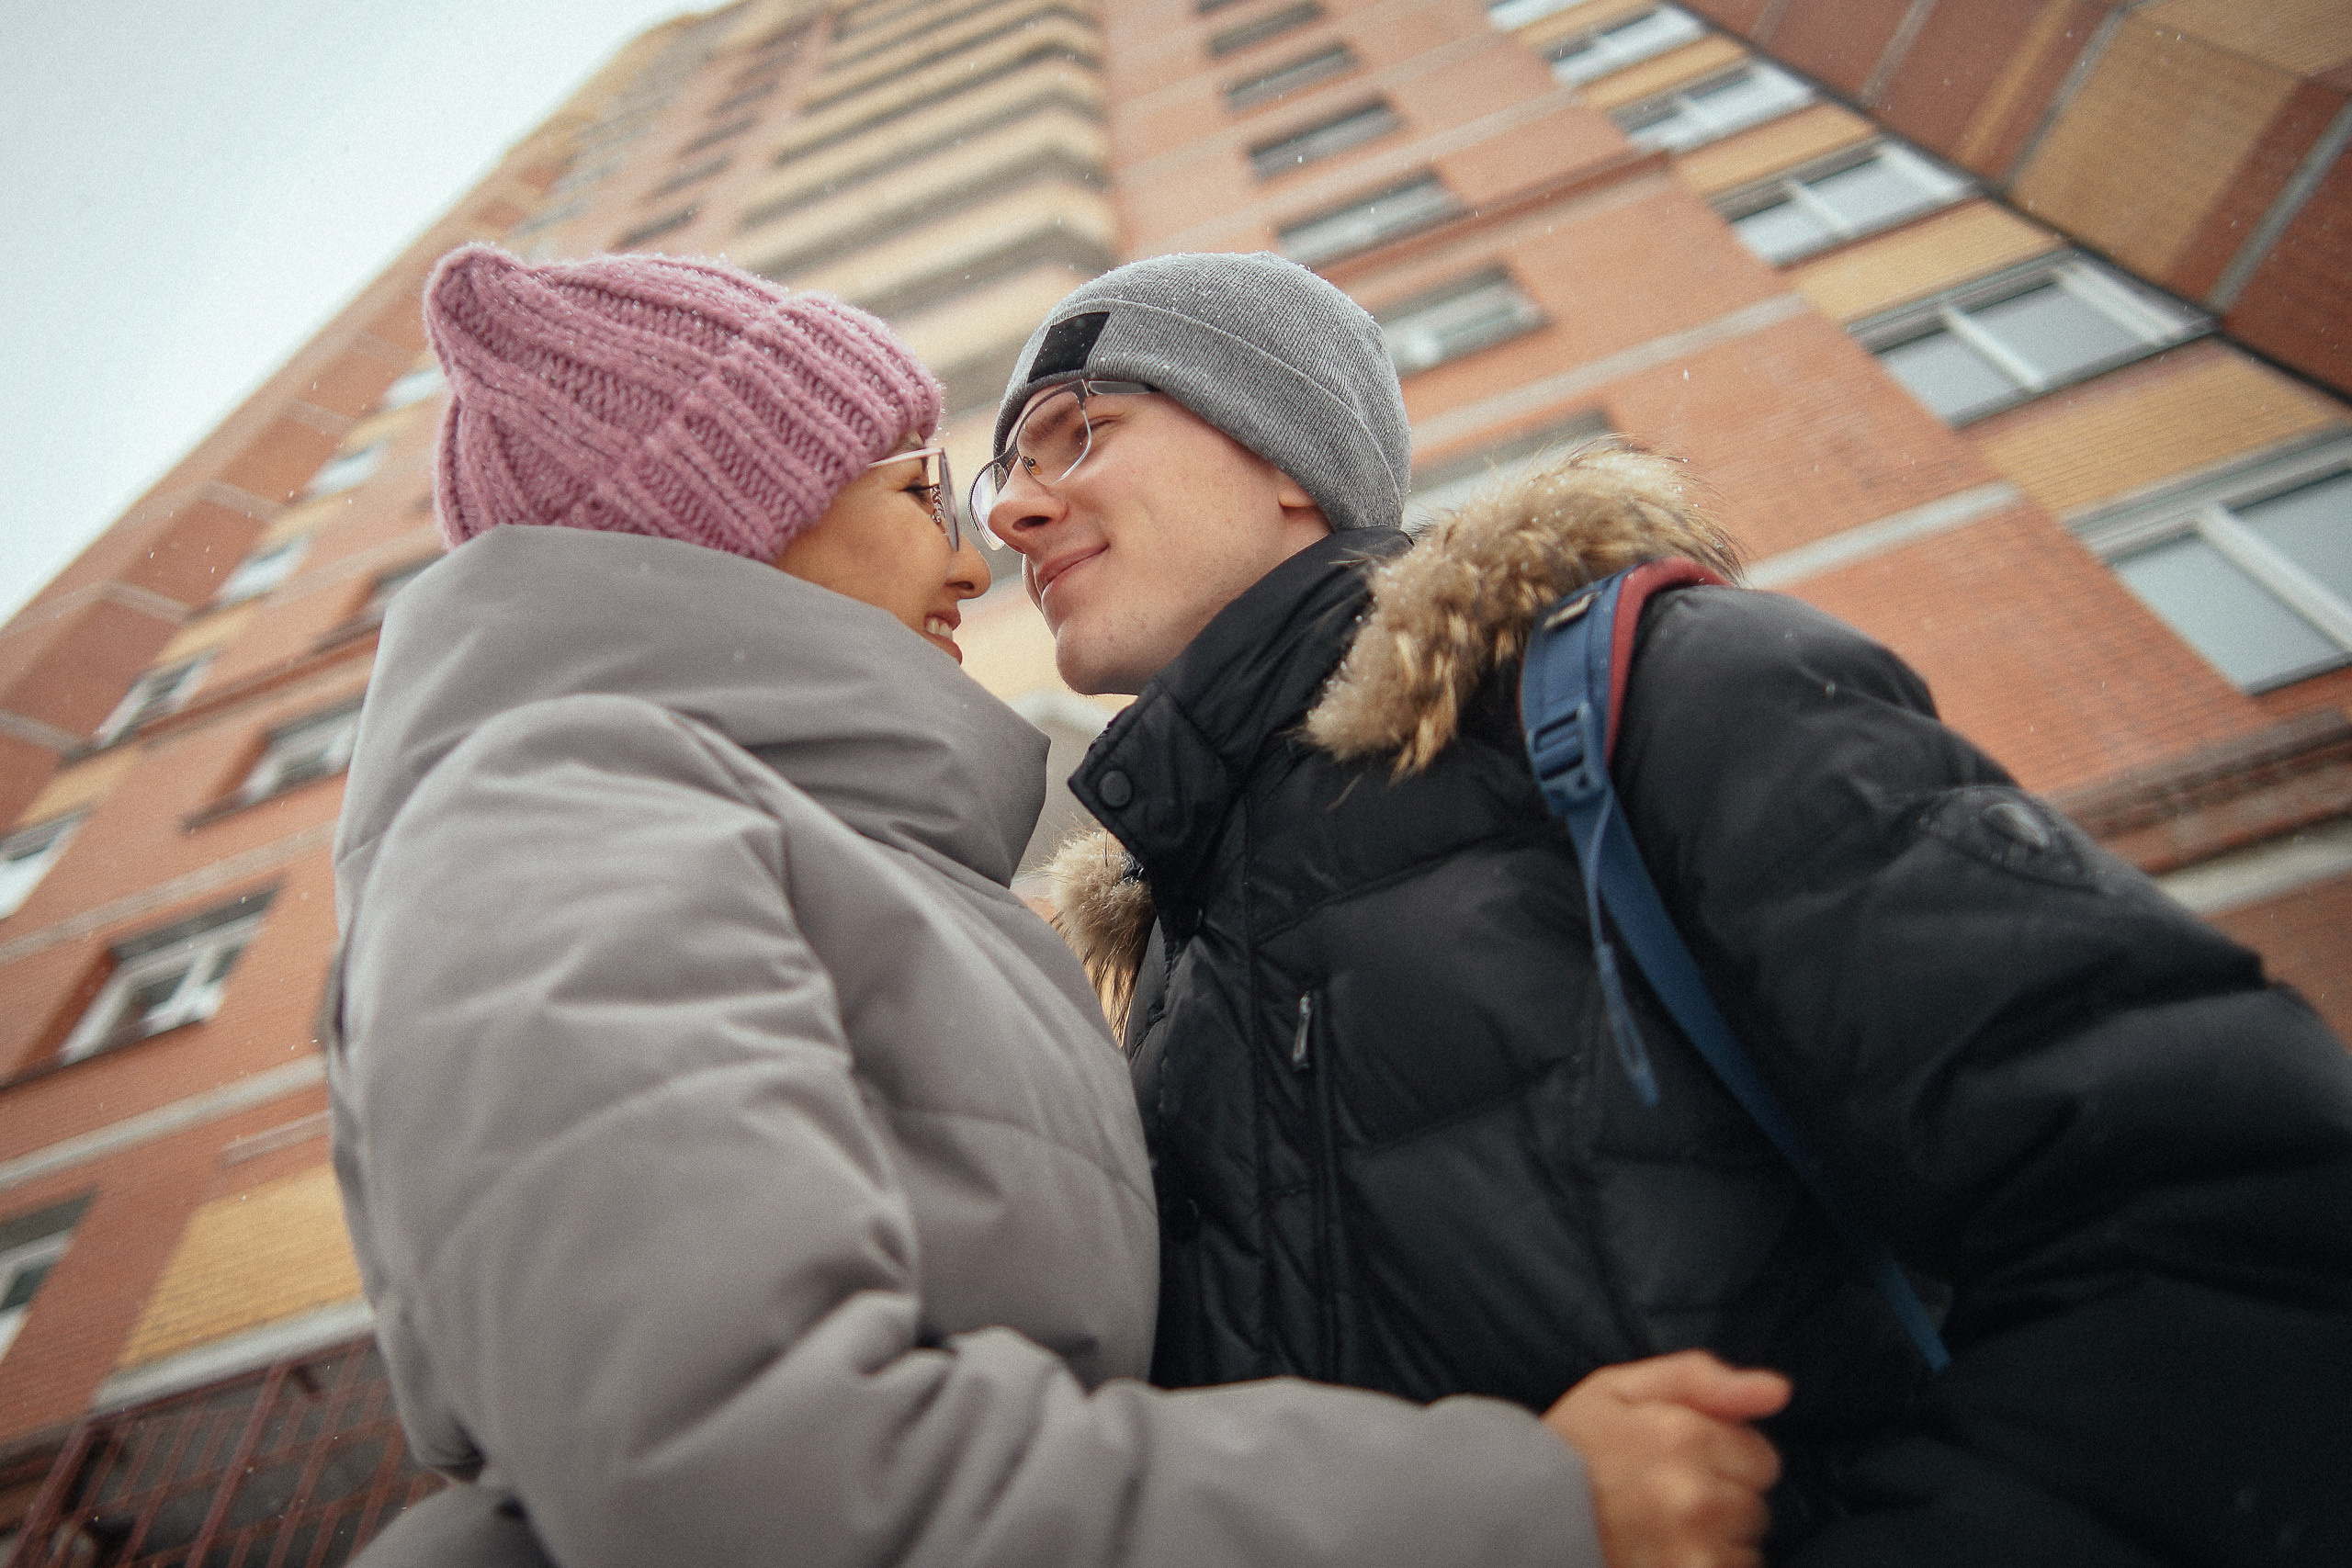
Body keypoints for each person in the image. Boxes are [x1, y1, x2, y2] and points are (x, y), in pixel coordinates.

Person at [325, 243, 1796, 1568]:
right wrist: (1507, 1509)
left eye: (1072, 442)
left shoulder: (941, 876)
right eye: (921, 490)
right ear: (717, 531)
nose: (983, 550)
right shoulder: (571, 820)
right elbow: (754, 1480)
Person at [990, 252, 2352, 1564]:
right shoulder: (1165, 954)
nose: (1011, 511)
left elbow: (2227, 1223)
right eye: (1009, 469)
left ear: (1285, 453)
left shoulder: (1639, 697)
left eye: (1080, 433)